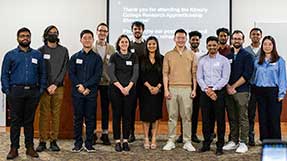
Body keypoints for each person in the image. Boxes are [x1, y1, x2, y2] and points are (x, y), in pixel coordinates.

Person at [1, 27, 46, 159]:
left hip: (33, 92)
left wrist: (41, 90)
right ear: (18, 38)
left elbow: (42, 73)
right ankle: (14, 148)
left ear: (30, 38)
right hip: (15, 92)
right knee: (15, 121)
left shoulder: (37, 55)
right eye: (22, 36)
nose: (25, 38)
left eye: (27, 36)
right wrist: (7, 90)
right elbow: (4, 74)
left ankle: (29, 148)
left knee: (29, 121)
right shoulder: (10, 55)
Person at [162, 29, 197, 152]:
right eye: (178, 38)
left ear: (186, 39)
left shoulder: (192, 55)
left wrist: (194, 89)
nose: (181, 40)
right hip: (172, 88)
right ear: (174, 39)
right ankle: (171, 140)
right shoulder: (168, 55)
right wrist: (166, 90)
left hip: (187, 89)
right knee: (172, 116)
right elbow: (165, 74)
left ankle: (187, 141)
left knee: (187, 117)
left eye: (183, 38)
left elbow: (194, 74)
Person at [36, 25, 69, 152]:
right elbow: (39, 70)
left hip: (58, 87)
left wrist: (55, 84)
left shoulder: (64, 50)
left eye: (55, 32)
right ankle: (42, 141)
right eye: (51, 32)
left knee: (56, 114)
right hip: (44, 87)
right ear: (46, 35)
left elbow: (64, 69)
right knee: (43, 114)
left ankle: (54, 141)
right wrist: (47, 85)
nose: (53, 34)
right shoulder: (40, 51)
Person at [69, 30, 103, 153]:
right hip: (77, 93)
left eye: (90, 38)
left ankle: (89, 143)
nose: (87, 40)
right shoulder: (75, 57)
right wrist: (80, 86)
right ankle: (77, 143)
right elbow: (72, 74)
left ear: (93, 40)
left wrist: (87, 87)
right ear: (81, 40)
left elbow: (97, 75)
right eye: (85, 38)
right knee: (77, 119)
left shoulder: (97, 58)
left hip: (91, 93)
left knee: (90, 119)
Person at [197, 36, 230, 155]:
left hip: (219, 93)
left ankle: (220, 145)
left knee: (220, 120)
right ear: (206, 46)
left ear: (218, 46)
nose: (212, 47)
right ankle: (206, 143)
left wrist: (214, 89)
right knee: (206, 120)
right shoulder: (202, 60)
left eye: (214, 45)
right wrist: (207, 90)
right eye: (209, 45)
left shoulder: (224, 60)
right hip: (205, 92)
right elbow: (199, 77)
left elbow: (225, 78)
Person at [223, 30, 254, 153]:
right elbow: (223, 73)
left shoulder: (247, 56)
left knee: (243, 117)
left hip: (242, 91)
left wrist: (233, 86)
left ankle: (244, 142)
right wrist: (227, 87)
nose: (236, 40)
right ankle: (234, 141)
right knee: (232, 117)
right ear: (231, 40)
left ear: (243, 40)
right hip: (228, 91)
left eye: (239, 39)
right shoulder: (227, 56)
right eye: (234, 38)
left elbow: (247, 75)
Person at [252, 36, 287, 141]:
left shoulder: (280, 61)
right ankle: (265, 140)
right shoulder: (257, 60)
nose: (267, 46)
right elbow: (254, 77)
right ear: (262, 46)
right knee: (263, 118)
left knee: (274, 118)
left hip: (273, 92)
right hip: (260, 92)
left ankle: (275, 140)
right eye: (265, 44)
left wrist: (281, 93)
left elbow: (282, 78)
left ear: (273, 46)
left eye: (269, 44)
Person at [108, 34, 139, 152]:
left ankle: (125, 140)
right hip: (116, 89)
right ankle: (117, 141)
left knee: (127, 116)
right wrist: (121, 88)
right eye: (122, 42)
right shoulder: (114, 57)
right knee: (116, 115)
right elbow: (111, 74)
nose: (124, 44)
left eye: (126, 42)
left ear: (128, 44)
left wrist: (128, 87)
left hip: (130, 90)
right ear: (118, 44)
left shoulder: (134, 57)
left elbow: (135, 74)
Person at [177, 31, 204, 144]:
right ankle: (183, 134)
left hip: (199, 86)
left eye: (197, 40)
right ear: (189, 40)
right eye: (193, 39)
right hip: (186, 84)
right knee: (184, 111)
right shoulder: (184, 53)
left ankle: (193, 134)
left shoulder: (204, 54)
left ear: (199, 41)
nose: (195, 41)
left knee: (195, 111)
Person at [92, 23, 115, 145]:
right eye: (100, 30)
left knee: (106, 108)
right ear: (97, 32)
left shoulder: (111, 49)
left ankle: (105, 133)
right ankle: (93, 132)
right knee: (92, 108)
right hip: (94, 83)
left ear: (107, 33)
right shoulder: (91, 47)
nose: (102, 33)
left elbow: (113, 66)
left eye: (105, 31)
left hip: (107, 83)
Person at [139, 36, 163, 150]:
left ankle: (154, 138)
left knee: (156, 115)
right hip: (145, 91)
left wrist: (158, 87)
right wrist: (149, 87)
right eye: (149, 44)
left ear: (157, 45)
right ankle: (146, 138)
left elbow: (165, 75)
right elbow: (140, 75)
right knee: (145, 115)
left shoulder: (161, 59)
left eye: (153, 44)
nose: (151, 46)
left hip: (158, 92)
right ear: (146, 45)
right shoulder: (141, 59)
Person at [129, 21, 147, 143]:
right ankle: (131, 133)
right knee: (131, 108)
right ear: (132, 30)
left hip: (145, 82)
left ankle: (148, 133)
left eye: (139, 29)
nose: (137, 31)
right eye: (135, 29)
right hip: (132, 83)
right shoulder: (128, 45)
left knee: (146, 108)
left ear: (142, 30)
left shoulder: (147, 45)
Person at [244, 27, 262, 146]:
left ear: (261, 36)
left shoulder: (265, 50)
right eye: (253, 34)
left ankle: (264, 137)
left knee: (263, 113)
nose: (255, 36)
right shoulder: (245, 51)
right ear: (250, 36)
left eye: (257, 34)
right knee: (250, 113)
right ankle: (250, 136)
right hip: (249, 86)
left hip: (262, 87)